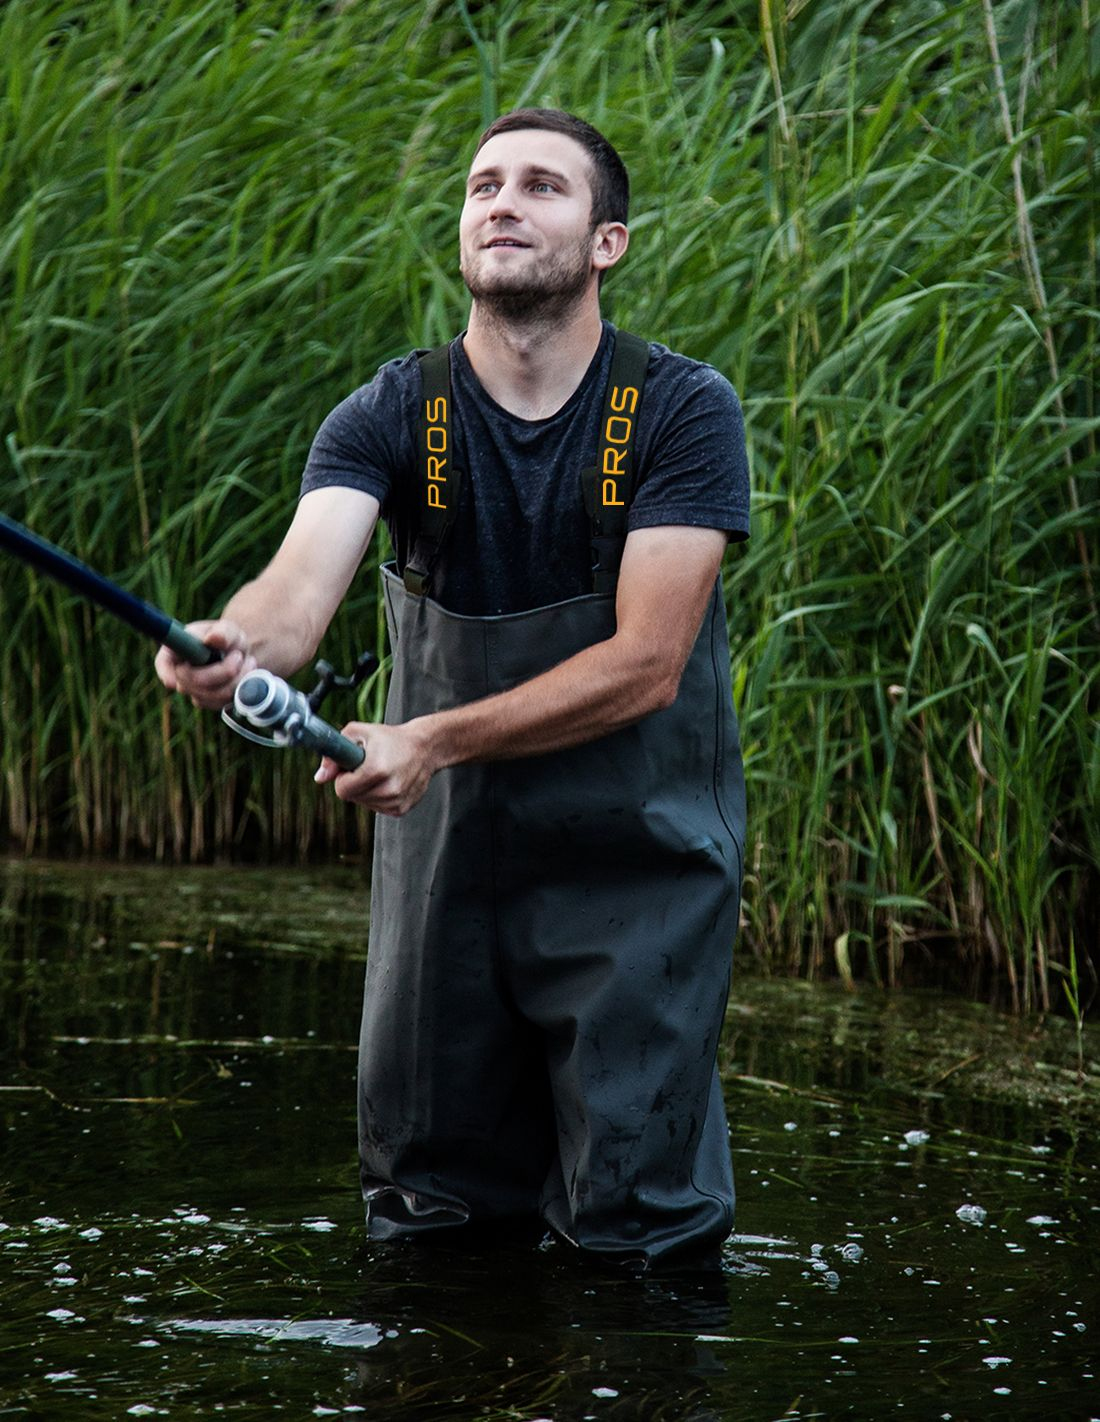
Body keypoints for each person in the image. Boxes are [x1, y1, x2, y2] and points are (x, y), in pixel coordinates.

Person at [156, 108, 750, 1271]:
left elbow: (646, 664)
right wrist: (230, 644)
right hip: (446, 872)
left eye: (540, 186)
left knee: (635, 1238)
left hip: (637, 870)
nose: (501, 203)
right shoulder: (391, 410)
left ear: (607, 243)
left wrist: (427, 737)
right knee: (429, 1221)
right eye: (483, 186)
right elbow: (294, 596)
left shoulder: (681, 409)